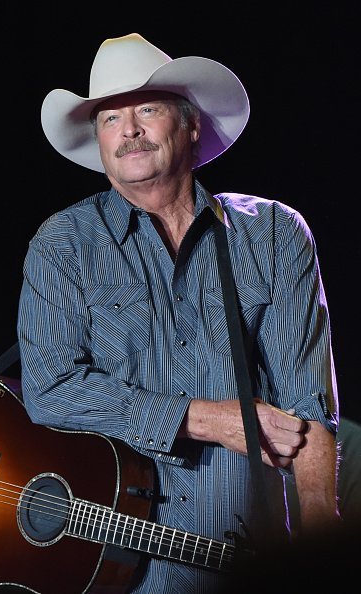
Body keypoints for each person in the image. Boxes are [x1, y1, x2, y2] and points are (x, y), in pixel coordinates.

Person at [17, 33, 340, 593]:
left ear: (190, 124)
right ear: (97, 140)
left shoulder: (273, 234)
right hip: (118, 573)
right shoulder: (62, 244)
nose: (130, 130)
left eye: (147, 109)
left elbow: (307, 408)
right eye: (110, 117)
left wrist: (319, 536)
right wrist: (206, 418)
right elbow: (49, 388)